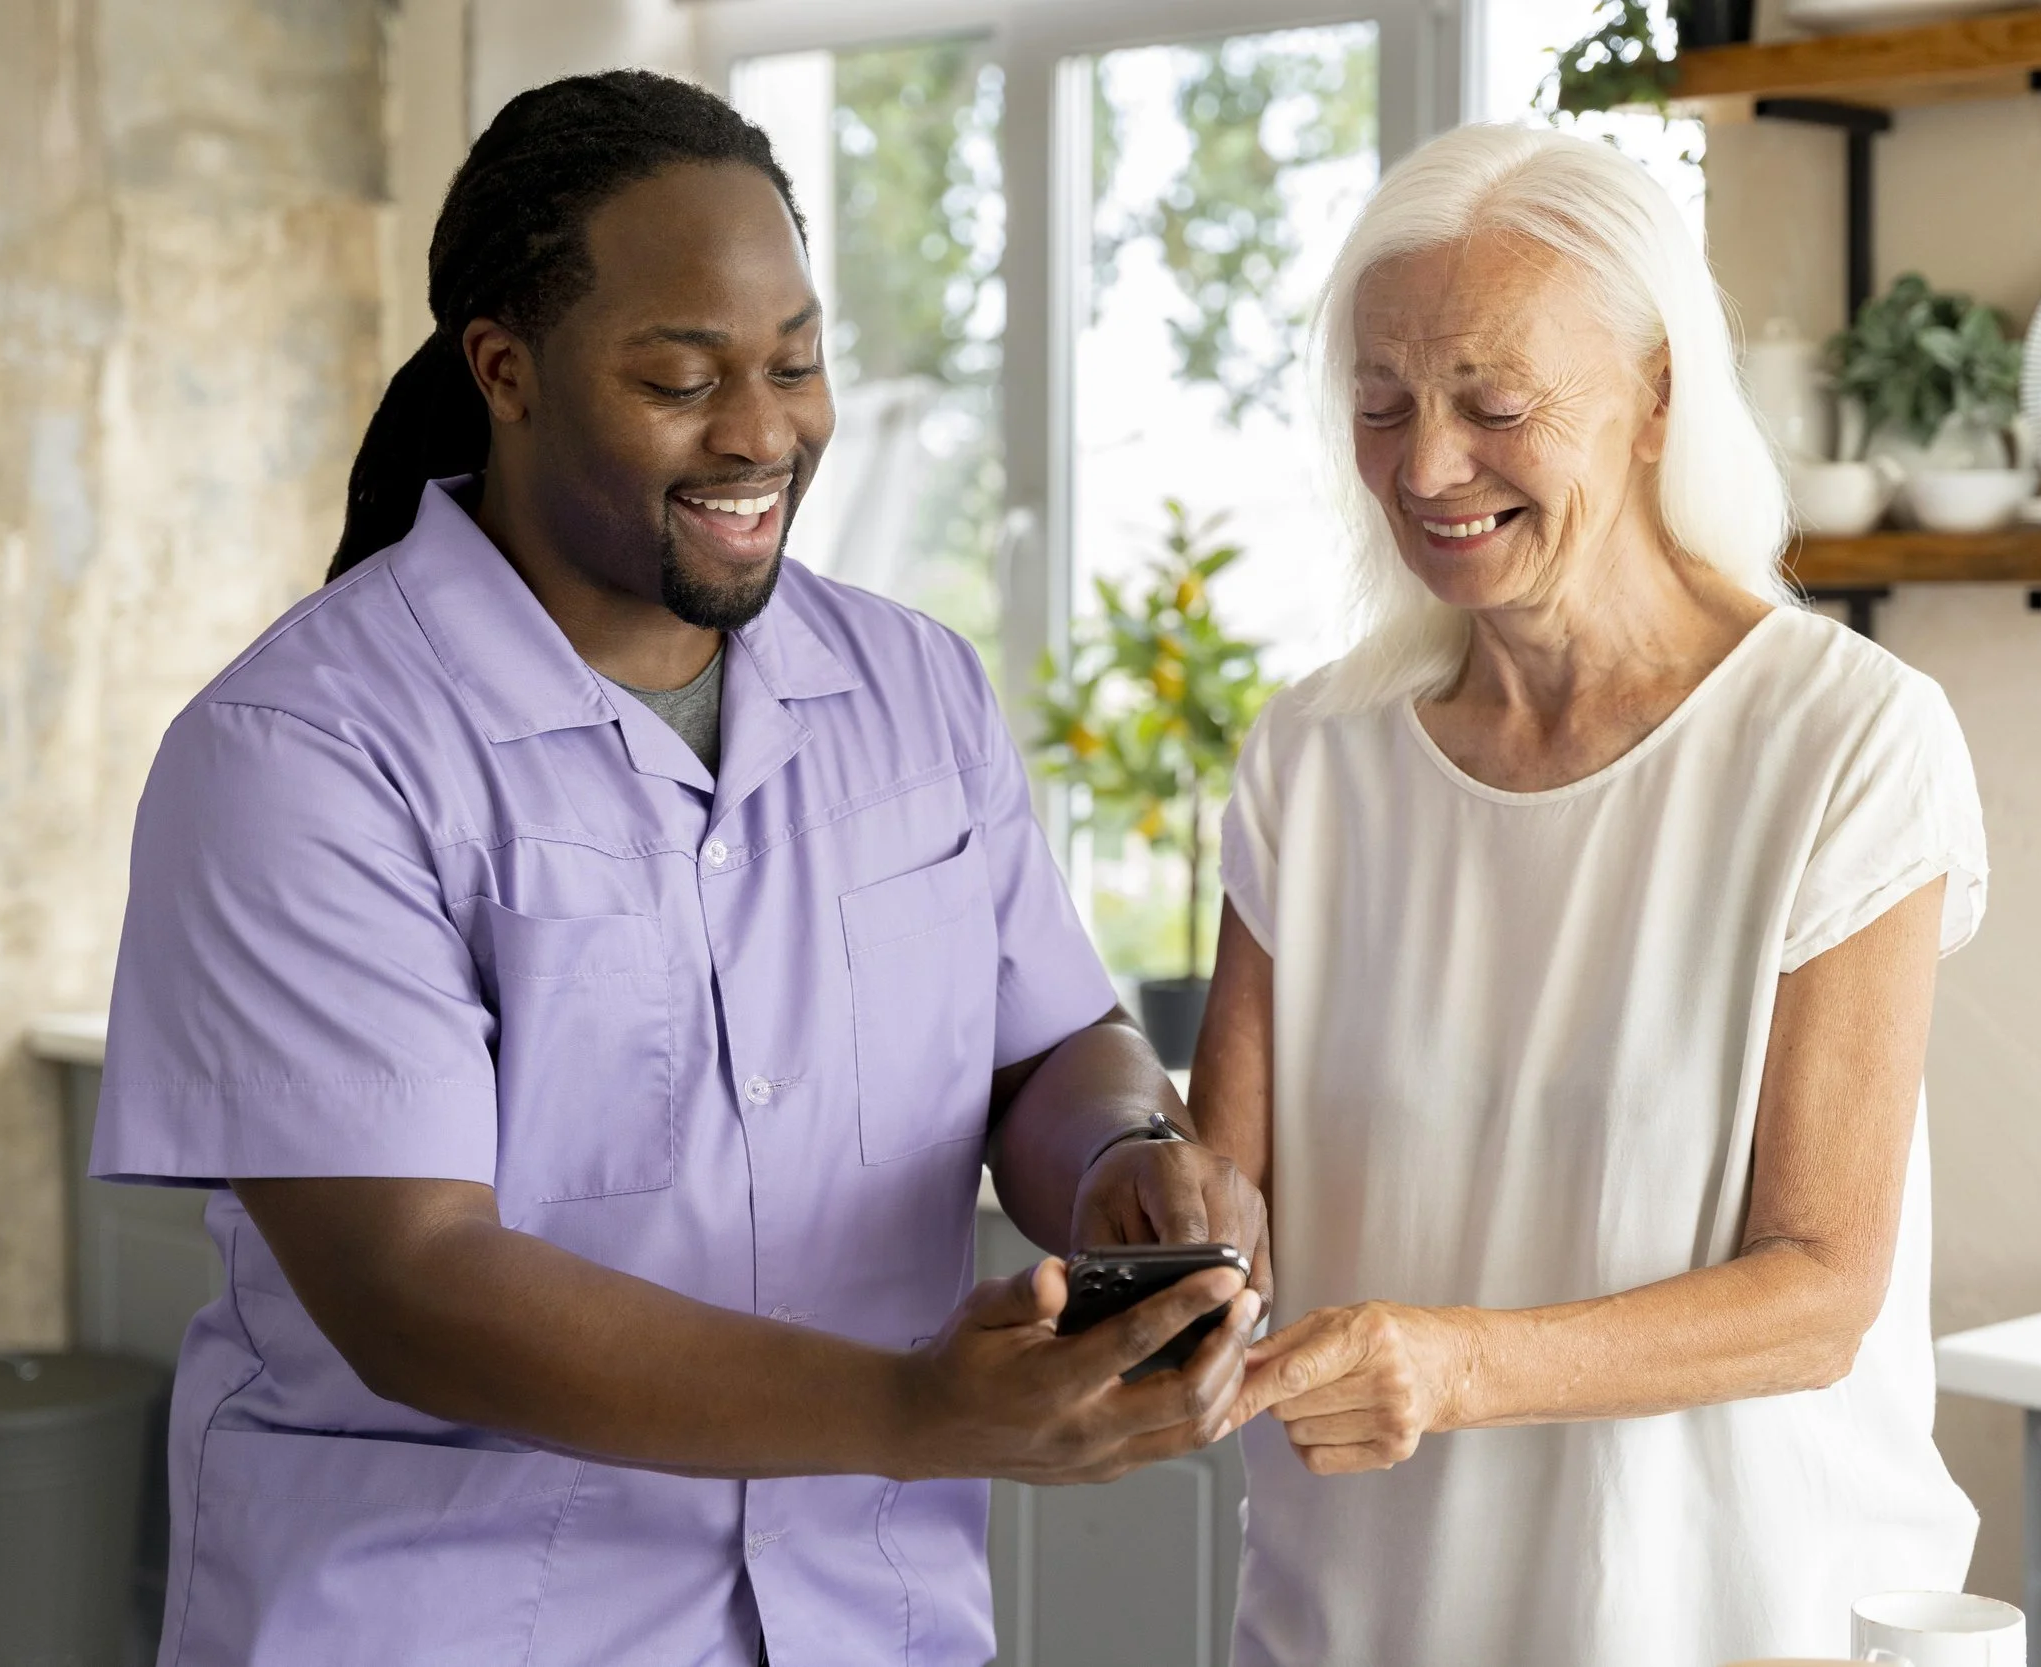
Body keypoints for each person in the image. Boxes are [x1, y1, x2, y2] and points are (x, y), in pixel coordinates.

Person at [91, 71, 1267, 1667]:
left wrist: (1123, 1149)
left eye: (796, 362)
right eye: (682, 376)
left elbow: (1046, 1043)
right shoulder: (302, 749)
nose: (763, 430)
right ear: (503, 369)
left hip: (869, 1620)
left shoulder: (915, 690)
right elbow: (411, 1283)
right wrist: (912, 1409)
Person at [1194, 122, 1988, 1666]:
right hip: (1356, 1617)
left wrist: (1455, 1363)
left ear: (1655, 399)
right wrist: (1158, 1249)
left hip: (1722, 1620)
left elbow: (1818, 1293)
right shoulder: (1316, 758)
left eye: (1494, 405)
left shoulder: (1842, 741)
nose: (1426, 468)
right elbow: (1230, 1201)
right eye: (1381, 405)